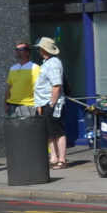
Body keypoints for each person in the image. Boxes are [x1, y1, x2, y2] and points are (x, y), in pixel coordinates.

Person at [33, 36, 67, 168]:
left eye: (40, 48)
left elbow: (57, 85)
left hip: (53, 103)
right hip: (45, 102)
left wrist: (51, 103)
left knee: (58, 131)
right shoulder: (48, 62)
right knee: (50, 132)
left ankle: (62, 159)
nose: (39, 51)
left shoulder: (52, 63)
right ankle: (53, 158)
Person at [6, 41, 40, 119]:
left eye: (21, 49)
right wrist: (5, 103)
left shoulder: (35, 68)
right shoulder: (12, 68)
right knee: (14, 130)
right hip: (12, 105)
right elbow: (9, 87)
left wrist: (39, 105)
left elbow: (38, 88)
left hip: (28, 106)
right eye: (16, 49)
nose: (18, 51)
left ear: (27, 52)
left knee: (27, 130)